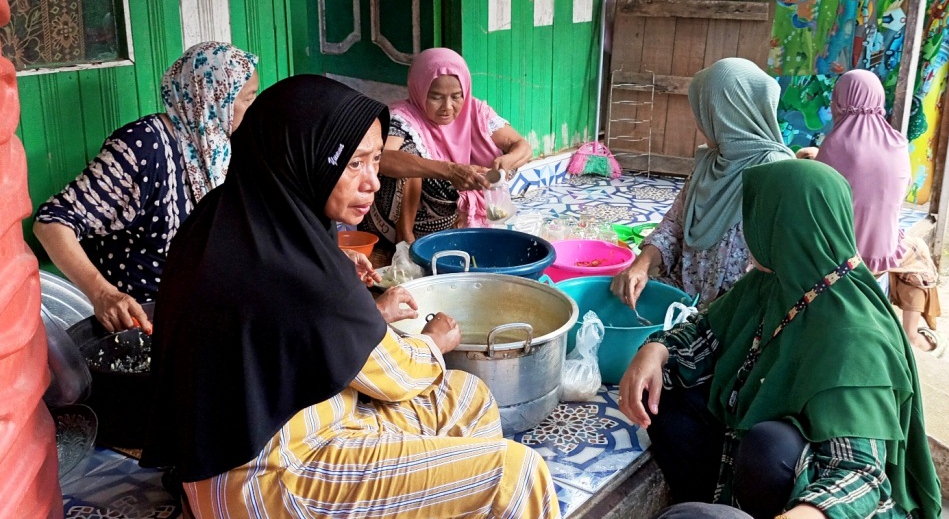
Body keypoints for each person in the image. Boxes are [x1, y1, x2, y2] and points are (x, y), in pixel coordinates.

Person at [140, 75, 560, 519]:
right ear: (304, 159)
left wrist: (340, 275)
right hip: (272, 478)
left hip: (290, 429)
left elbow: (296, 328)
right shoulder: (297, 272)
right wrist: (435, 341)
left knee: (465, 397)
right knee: (514, 476)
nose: (374, 182)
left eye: (377, 160)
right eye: (355, 164)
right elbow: (393, 376)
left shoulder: (235, 219)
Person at [618, 160, 941, 519]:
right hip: (748, 456)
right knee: (665, 401)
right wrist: (656, 349)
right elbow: (705, 330)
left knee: (771, 447)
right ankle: (711, 504)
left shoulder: (855, 337)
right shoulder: (776, 281)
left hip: (811, 499)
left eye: (756, 218)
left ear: (786, 226)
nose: (746, 232)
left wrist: (808, 512)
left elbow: (860, 474)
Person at [33, 41, 259, 333]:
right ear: (211, 98)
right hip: (146, 325)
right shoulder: (144, 146)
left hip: (203, 317)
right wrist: (102, 294)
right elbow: (51, 223)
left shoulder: (219, 149)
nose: (255, 110)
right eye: (248, 100)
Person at [612, 57, 794, 308]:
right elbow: (674, 226)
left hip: (735, 313)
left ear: (728, 114)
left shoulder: (779, 176)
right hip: (682, 296)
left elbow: (787, 271)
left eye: (703, 110)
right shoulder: (709, 163)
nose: (698, 123)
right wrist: (640, 266)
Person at [797, 69, 943, 355]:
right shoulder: (898, 143)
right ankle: (911, 333)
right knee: (920, 255)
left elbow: (818, 202)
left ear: (841, 100)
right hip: (884, 252)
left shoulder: (836, 144)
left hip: (838, 256)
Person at [362, 47, 532, 244]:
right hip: (402, 221)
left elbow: (522, 146)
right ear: (419, 89)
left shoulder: (475, 111)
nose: (447, 107)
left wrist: (507, 161)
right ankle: (406, 241)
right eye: (436, 97)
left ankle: (458, 229)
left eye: (456, 96)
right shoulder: (403, 117)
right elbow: (381, 157)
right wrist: (450, 170)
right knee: (408, 152)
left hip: (453, 213)